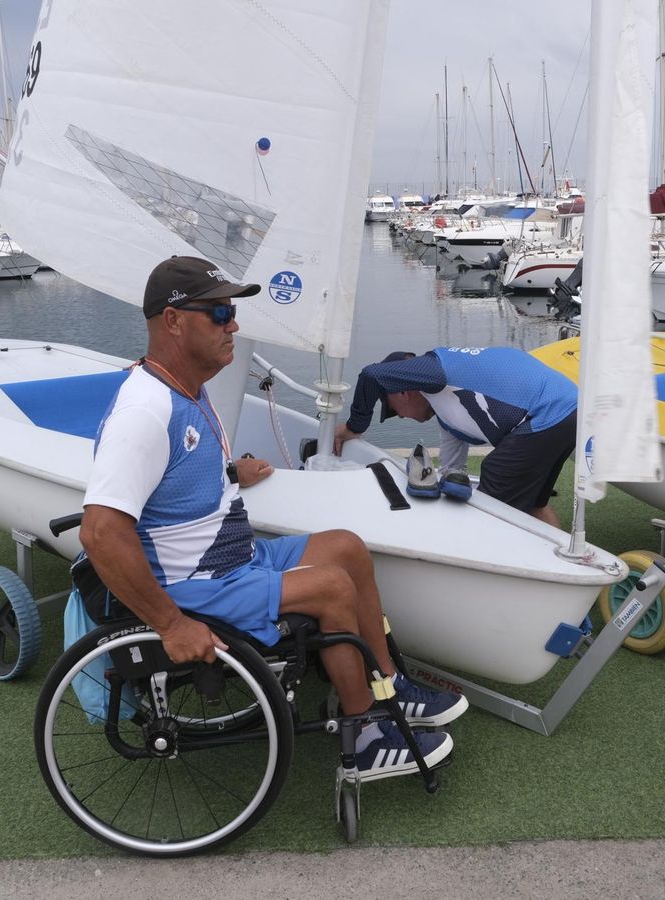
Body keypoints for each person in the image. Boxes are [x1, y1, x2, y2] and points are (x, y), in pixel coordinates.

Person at [80, 256, 466, 781]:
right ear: (173, 321)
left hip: (232, 557)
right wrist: (170, 624)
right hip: (193, 584)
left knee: (346, 547)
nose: (233, 324)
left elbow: (171, 483)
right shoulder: (144, 412)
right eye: (219, 313)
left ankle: (387, 685)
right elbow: (101, 532)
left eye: (232, 312)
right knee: (330, 587)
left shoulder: (185, 389)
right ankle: (366, 737)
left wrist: (230, 473)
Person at [333, 347, 578, 527]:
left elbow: (371, 376)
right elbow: (451, 470)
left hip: (547, 411)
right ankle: (569, 563)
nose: (402, 416)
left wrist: (355, 426)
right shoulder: (448, 415)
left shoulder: (433, 370)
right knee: (534, 502)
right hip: (569, 408)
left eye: (394, 410)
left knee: (493, 491)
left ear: (404, 391)